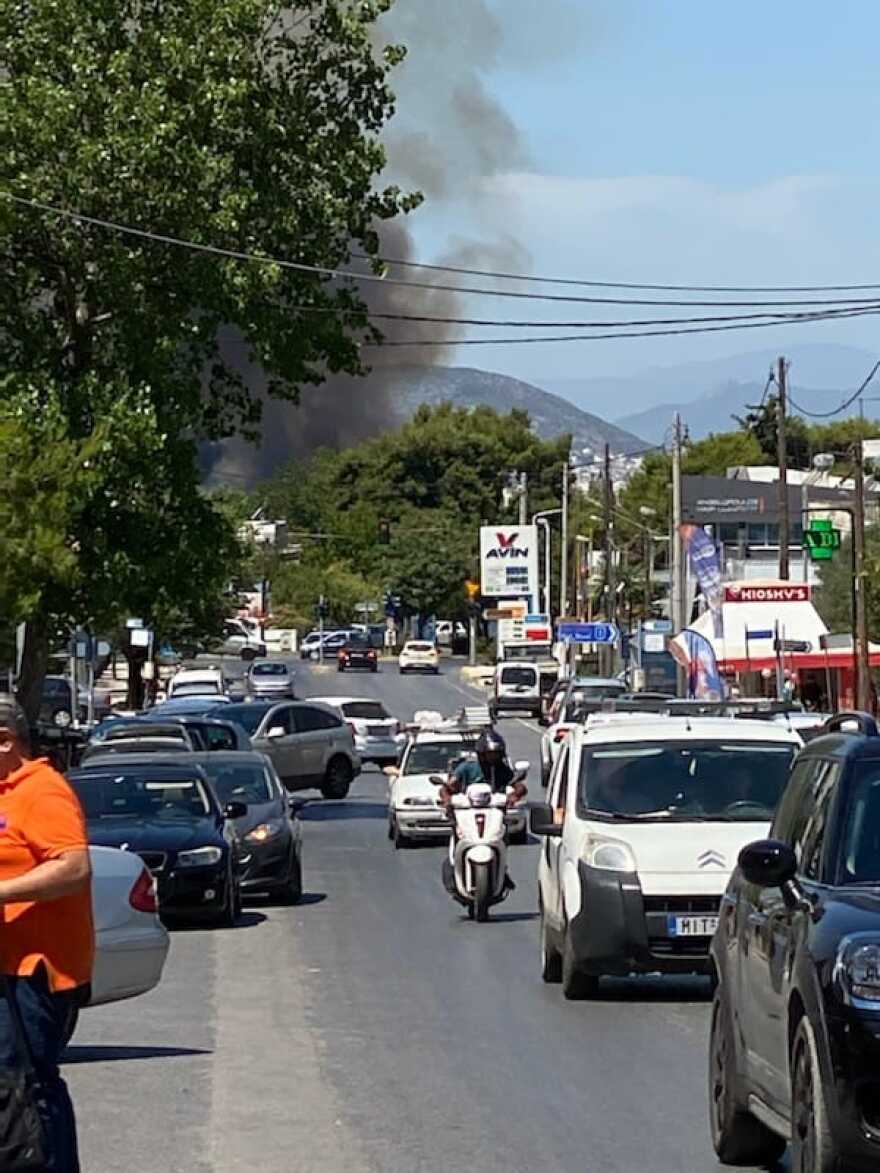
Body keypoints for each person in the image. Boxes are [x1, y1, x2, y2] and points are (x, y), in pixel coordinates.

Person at [0, 696, 94, 1172]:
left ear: (5, 740)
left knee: (30, 1084)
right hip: (6, 966)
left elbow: (75, 867)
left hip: (35, 973)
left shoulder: (41, 790)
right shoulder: (4, 792)